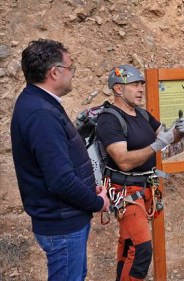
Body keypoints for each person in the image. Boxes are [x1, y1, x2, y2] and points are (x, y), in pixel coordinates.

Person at [10, 39, 110, 280]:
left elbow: (59, 165)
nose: (73, 74)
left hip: (65, 218)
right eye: (70, 68)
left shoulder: (39, 103)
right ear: (54, 72)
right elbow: (61, 180)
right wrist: (97, 202)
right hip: (62, 223)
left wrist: (88, 188)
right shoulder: (41, 113)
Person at [96, 65, 184, 281]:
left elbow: (166, 138)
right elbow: (123, 161)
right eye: (135, 85)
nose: (140, 89)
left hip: (145, 188)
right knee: (142, 249)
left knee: (129, 243)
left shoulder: (142, 114)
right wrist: (158, 144)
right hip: (126, 191)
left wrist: (179, 131)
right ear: (118, 89)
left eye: (141, 85)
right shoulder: (109, 120)